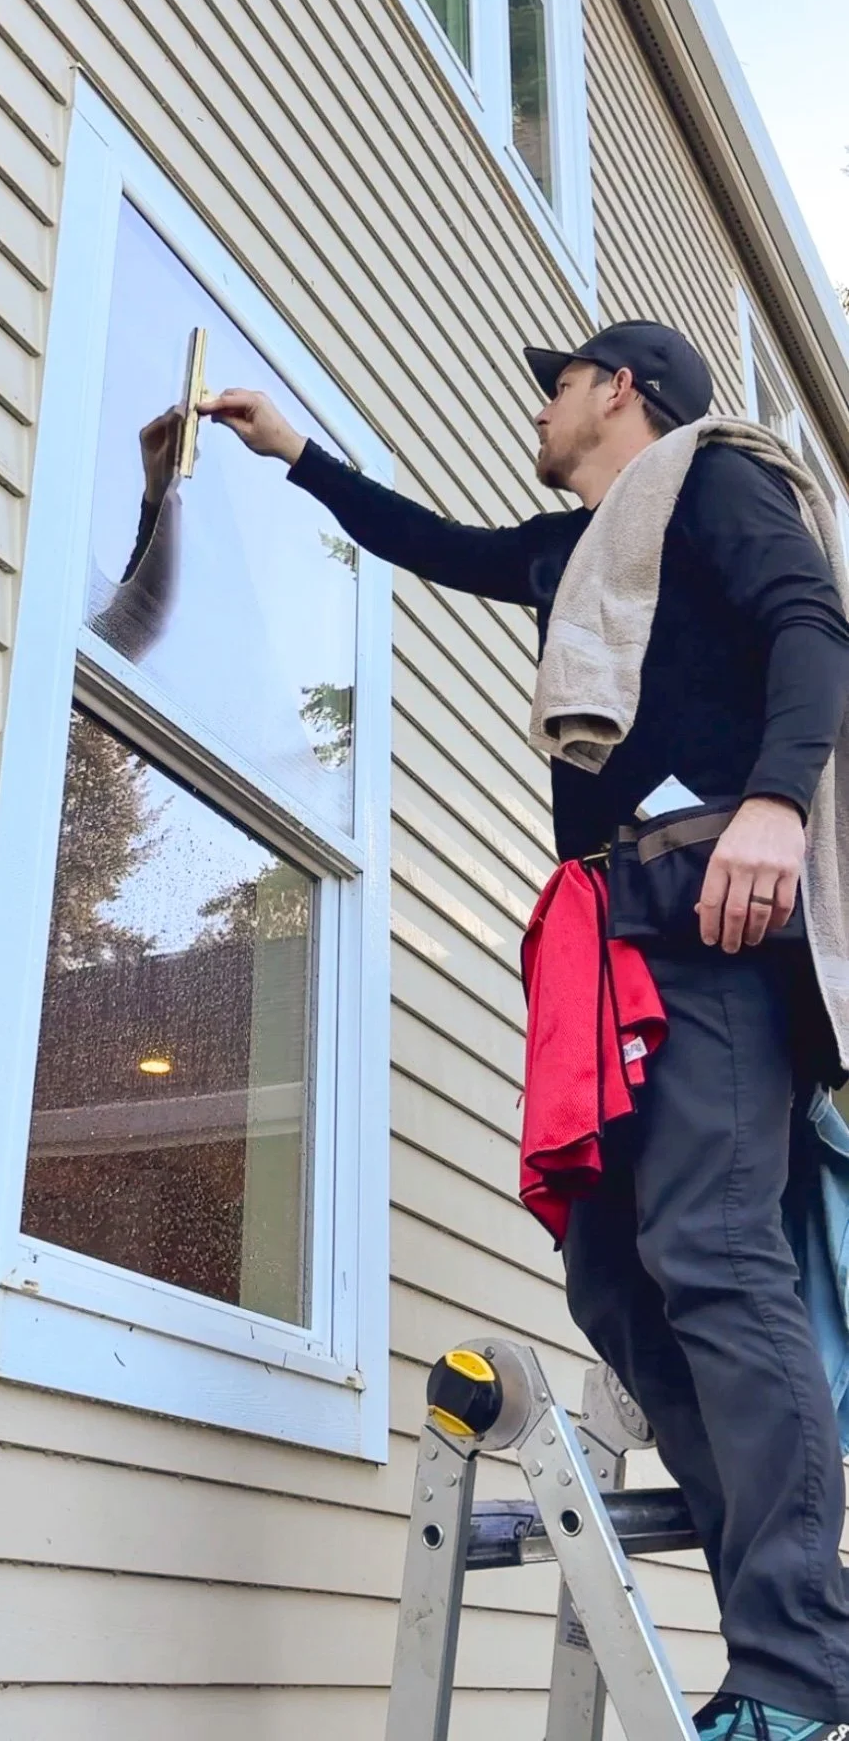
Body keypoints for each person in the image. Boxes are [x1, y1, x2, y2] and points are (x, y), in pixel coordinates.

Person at [195, 321, 849, 1741]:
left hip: (711, 916)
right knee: (613, 1276)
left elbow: (812, 624)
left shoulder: (715, 484)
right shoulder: (574, 556)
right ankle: (780, 1617)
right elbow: (431, 542)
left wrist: (778, 804)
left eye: (553, 383)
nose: (537, 408)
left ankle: (795, 1670)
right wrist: (295, 455)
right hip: (601, 938)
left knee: (712, 1253)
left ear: (620, 391)